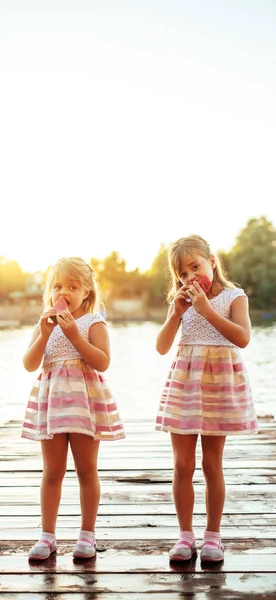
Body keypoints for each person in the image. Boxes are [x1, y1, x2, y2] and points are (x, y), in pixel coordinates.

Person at [155, 235, 258, 564]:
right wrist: (175, 314)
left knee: (212, 464)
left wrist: (206, 310)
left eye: (195, 267)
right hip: (186, 381)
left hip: (218, 385)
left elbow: (242, 337)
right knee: (182, 464)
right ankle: (185, 536)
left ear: (212, 261)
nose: (190, 278)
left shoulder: (233, 296)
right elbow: (161, 346)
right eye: (182, 275)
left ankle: (213, 536)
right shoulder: (182, 302)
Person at [21, 257, 125, 561]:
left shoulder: (94, 322)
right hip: (53, 405)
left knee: (85, 469)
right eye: (57, 286)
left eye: (72, 286)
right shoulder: (44, 324)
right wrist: (43, 334)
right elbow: (29, 364)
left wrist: (75, 335)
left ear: (86, 292)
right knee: (52, 471)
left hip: (83, 404)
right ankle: (47, 535)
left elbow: (102, 361)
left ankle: (87, 535)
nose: (62, 292)